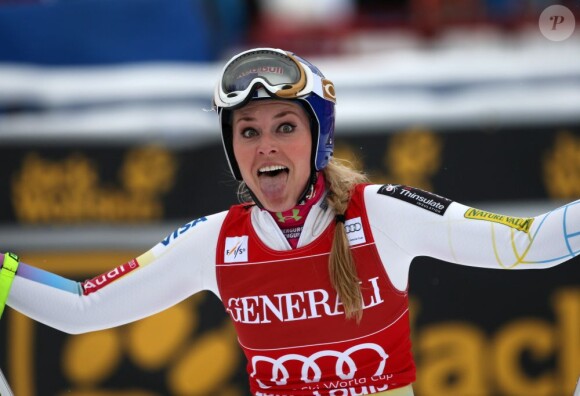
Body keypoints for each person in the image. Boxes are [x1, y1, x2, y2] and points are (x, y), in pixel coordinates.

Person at [0, 47, 578, 396]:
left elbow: (533, 244)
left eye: (285, 126)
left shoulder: (382, 214)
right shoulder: (217, 242)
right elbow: (82, 309)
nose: (265, 145)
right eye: (248, 131)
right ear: (233, 151)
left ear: (317, 138)